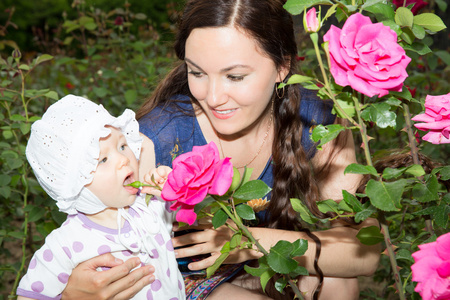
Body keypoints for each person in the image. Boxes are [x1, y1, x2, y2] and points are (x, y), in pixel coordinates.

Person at [61, 0, 381, 299]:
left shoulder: (320, 123)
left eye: (235, 76)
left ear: (282, 67)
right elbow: (92, 251)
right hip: (175, 279)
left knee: (335, 281)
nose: (213, 97)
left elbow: (363, 253)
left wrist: (250, 243)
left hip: (258, 259)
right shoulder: (154, 140)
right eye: (197, 73)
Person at [16, 95, 185, 300]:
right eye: (103, 159)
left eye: (122, 146)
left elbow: (189, 214)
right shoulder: (66, 244)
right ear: (75, 184)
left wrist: (173, 187)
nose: (124, 159)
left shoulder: (151, 207)